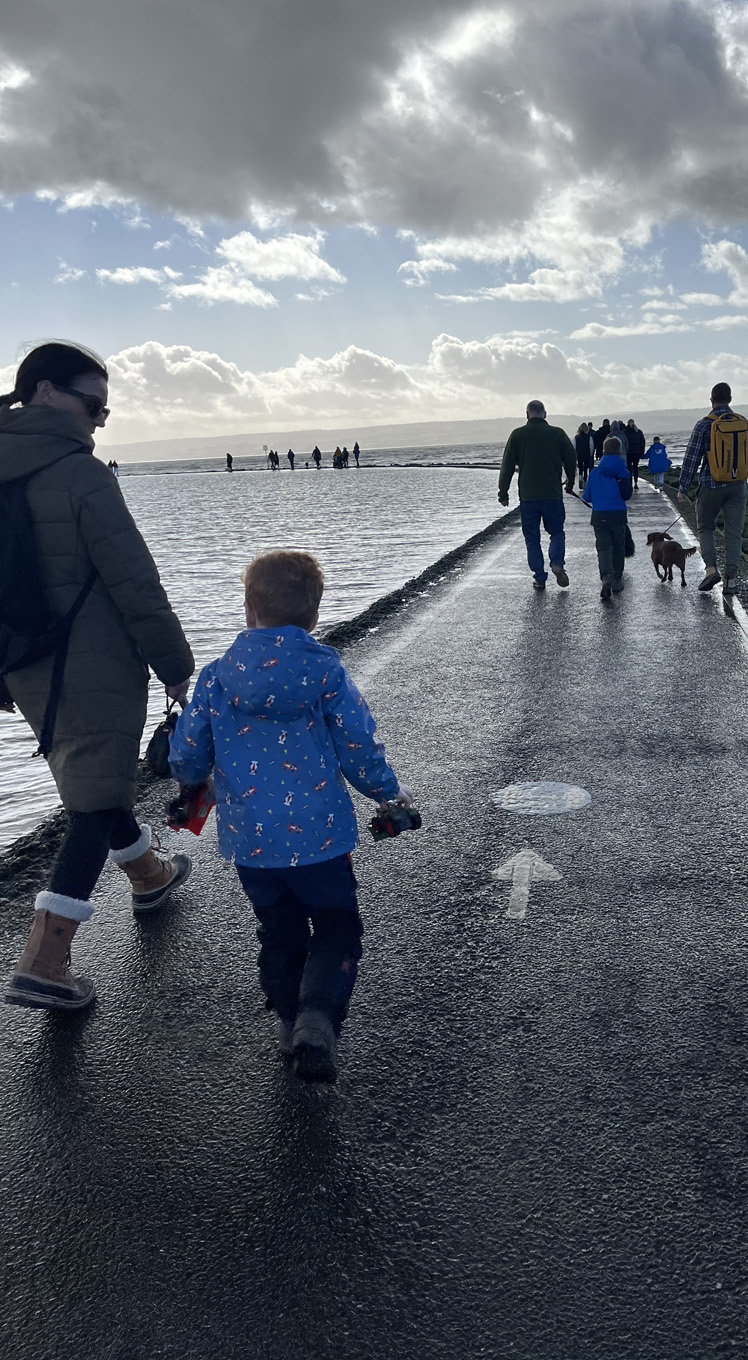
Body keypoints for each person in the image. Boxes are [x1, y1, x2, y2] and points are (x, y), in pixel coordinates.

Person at [1, 341, 194, 1012]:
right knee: (91, 800)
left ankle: (149, 875)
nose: (98, 420)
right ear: (48, 392)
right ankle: (45, 959)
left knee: (95, 775)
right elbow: (135, 581)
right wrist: (175, 665)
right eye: (93, 405)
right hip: (96, 663)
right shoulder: (80, 474)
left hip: (22, 666)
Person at [168, 550, 412, 1083]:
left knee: (278, 929)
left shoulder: (215, 678)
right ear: (314, 616)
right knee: (336, 926)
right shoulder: (324, 671)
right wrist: (388, 796)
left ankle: (285, 1022)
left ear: (249, 610)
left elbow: (187, 753)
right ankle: (317, 1018)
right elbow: (358, 745)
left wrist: (190, 782)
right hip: (321, 840)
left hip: (252, 845)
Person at [677, 382, 748, 596]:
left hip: (710, 485)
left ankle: (710, 569)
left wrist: (683, 488)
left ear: (711, 399)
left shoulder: (704, 424)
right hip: (738, 485)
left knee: (706, 528)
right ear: (730, 399)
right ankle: (730, 581)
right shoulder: (744, 423)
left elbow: (692, 459)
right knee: (733, 533)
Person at [498, 400, 576, 591]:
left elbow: (506, 466)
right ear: (545, 414)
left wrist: (503, 492)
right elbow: (571, 458)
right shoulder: (557, 433)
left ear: (527, 415)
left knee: (532, 538)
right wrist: (571, 482)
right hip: (553, 495)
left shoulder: (517, 435)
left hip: (528, 497)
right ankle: (557, 563)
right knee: (557, 532)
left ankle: (540, 578)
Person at [581, 435, 633, 600]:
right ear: (619, 451)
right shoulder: (623, 471)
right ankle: (617, 580)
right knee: (618, 548)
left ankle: (605, 578)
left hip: (599, 515)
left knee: (603, 549)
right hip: (618, 515)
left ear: (603, 451)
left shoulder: (595, 472)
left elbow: (587, 496)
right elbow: (627, 495)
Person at [625, 419, 645, 488]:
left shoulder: (625, 432)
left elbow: (624, 443)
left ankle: (630, 483)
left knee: (629, 468)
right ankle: (636, 483)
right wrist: (642, 453)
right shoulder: (639, 432)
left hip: (629, 453)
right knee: (635, 468)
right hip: (637, 453)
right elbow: (642, 443)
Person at [574, 422, 594, 488]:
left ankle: (580, 477)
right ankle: (585, 482)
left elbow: (574, 446)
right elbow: (591, 446)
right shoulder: (589, 437)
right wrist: (590, 454)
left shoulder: (576, 437)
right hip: (586, 454)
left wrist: (575, 455)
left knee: (580, 468)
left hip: (579, 454)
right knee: (585, 469)